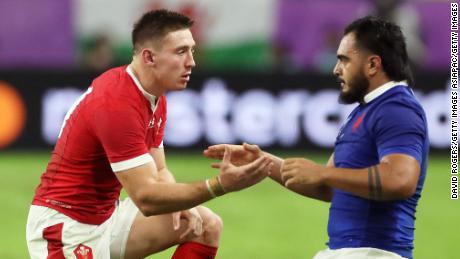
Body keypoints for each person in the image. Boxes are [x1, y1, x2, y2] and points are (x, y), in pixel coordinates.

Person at [26, 9, 272, 259]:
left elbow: (160, 170)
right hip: (66, 225)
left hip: (106, 219)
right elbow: (146, 198)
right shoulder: (116, 102)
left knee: (204, 225)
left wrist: (183, 203)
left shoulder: (154, 95)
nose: (191, 62)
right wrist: (218, 185)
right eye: (180, 52)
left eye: (191, 50)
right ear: (149, 57)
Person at [205, 16, 428, 259]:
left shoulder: (397, 109)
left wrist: (323, 172)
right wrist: (263, 162)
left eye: (344, 60)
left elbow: (400, 180)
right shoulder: (365, 111)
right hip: (347, 252)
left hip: (374, 253)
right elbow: (329, 187)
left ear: (373, 64)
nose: (336, 69)